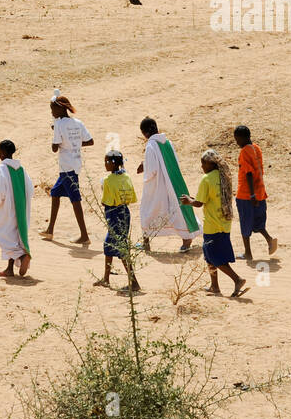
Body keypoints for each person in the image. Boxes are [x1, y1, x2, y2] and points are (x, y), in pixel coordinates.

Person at [182, 149, 248, 298]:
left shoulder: (206, 179)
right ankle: (214, 286)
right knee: (209, 255)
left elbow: (199, 203)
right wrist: (193, 199)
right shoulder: (224, 176)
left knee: (213, 256)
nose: (202, 166)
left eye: (203, 163)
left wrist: (188, 201)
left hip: (212, 224)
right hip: (224, 223)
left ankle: (237, 279)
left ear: (211, 164)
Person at [136, 117, 195, 252]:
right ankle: (186, 239)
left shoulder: (150, 145)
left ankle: (146, 242)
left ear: (144, 133)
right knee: (176, 209)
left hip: (157, 186)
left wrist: (145, 169)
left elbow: (152, 171)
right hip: (173, 182)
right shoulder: (168, 142)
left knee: (147, 211)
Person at [46, 94, 93, 244]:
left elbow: (54, 148)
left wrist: (55, 132)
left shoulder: (59, 124)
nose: (52, 113)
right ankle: (50, 230)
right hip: (75, 164)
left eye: (52, 109)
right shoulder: (78, 122)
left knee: (75, 199)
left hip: (66, 166)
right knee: (55, 193)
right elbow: (90, 141)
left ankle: (84, 235)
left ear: (59, 109)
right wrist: (74, 145)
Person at [95, 150, 139, 293]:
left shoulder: (108, 181)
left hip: (114, 215)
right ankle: (106, 279)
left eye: (106, 161)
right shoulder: (126, 177)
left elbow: (106, 202)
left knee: (119, 247)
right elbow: (131, 196)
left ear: (112, 163)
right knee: (112, 246)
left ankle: (134, 282)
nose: (105, 164)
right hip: (124, 213)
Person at [234, 125, 277, 260]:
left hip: (247, 194)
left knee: (245, 223)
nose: (236, 142)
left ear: (242, 138)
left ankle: (248, 253)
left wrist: (251, 194)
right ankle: (269, 239)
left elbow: (248, 173)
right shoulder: (256, 148)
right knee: (258, 222)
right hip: (260, 192)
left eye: (237, 139)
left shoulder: (244, 152)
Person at [0, 140, 32, 278]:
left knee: (2, 234)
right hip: (20, 207)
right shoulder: (21, 169)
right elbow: (30, 188)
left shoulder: (1, 168)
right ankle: (9, 269)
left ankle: (21, 256)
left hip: (7, 208)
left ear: (1, 153)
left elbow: (0, 192)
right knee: (14, 236)